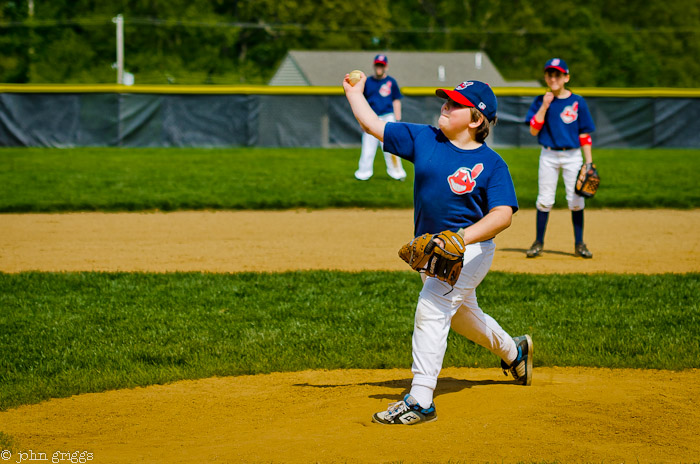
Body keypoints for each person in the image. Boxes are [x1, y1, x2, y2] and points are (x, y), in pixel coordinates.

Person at [343, 73, 533, 425]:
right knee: (464, 319)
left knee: (432, 306)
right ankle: (515, 351)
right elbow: (373, 125)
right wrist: (353, 93)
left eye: (455, 104)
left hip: (471, 250)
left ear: (476, 119)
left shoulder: (492, 164)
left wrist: (462, 237)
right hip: (434, 253)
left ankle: (420, 400)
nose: (445, 106)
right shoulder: (424, 138)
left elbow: (503, 214)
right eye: (445, 100)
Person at [525, 58, 596, 259]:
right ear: (545, 77)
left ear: (566, 77)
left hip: (573, 156)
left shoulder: (577, 102)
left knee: (575, 200)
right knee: (545, 200)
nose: (553, 78)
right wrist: (545, 106)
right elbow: (533, 130)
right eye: (550, 74)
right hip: (548, 154)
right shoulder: (541, 100)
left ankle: (579, 244)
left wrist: (588, 162)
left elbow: (585, 134)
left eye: (558, 74)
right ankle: (538, 243)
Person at [353, 54, 407, 181]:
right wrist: (362, 120)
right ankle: (363, 174)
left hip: (388, 117)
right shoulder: (367, 82)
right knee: (367, 148)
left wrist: (397, 119)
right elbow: (362, 101)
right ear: (374, 65)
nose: (379, 67)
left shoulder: (391, 82)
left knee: (391, 148)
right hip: (371, 117)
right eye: (377, 64)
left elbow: (396, 100)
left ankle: (397, 173)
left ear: (386, 67)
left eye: (381, 65)